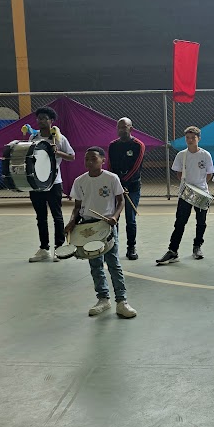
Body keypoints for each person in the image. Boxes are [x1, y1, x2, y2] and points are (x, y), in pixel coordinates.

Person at [66, 147, 137, 318]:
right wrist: (72, 221)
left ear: (103, 160)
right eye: (87, 159)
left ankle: (122, 301)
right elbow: (77, 207)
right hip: (88, 226)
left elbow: (120, 201)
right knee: (95, 264)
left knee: (113, 263)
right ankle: (103, 299)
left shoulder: (111, 178)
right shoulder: (80, 181)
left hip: (106, 225)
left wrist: (115, 216)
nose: (89, 162)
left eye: (93, 158)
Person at [158, 126, 214, 264]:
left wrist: (199, 187)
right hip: (185, 194)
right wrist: (187, 187)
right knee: (180, 222)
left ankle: (197, 246)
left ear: (198, 138)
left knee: (201, 222)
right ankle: (173, 251)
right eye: (187, 138)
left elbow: (209, 174)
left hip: (202, 193)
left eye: (193, 138)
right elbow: (178, 173)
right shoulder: (181, 155)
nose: (190, 140)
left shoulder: (205, 155)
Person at [28, 106, 76, 263]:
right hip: (37, 184)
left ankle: (59, 247)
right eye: (39, 118)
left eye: (44, 118)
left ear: (51, 121)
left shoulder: (60, 138)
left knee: (57, 216)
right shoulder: (33, 138)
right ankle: (44, 248)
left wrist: (58, 152)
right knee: (40, 217)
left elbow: (72, 156)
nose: (41, 121)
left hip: (54, 183)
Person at [107, 117, 145, 260]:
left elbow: (136, 167)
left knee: (130, 219)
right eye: (119, 127)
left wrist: (124, 183)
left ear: (131, 128)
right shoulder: (113, 145)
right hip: (116, 187)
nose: (121, 130)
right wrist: (116, 183)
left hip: (132, 187)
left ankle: (131, 247)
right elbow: (110, 166)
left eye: (124, 127)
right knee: (114, 217)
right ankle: (113, 246)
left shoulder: (138, 145)